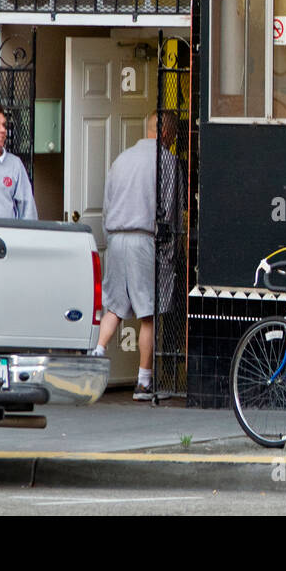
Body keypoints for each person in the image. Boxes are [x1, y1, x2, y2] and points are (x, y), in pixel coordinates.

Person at [92, 111, 185, 402]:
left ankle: (94, 358)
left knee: (115, 307)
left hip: (117, 237)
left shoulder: (121, 160)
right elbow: (171, 211)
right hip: (145, 239)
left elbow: (107, 205)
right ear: (169, 134)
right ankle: (144, 382)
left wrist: (111, 238)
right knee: (148, 313)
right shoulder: (167, 162)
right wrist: (170, 253)